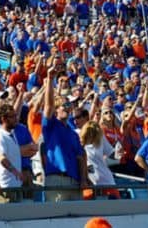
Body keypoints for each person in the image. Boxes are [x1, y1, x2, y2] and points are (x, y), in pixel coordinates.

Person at [42, 62, 88, 201]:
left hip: (74, 182)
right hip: (56, 180)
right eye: (64, 105)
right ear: (57, 109)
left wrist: (84, 179)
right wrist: (50, 79)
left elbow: (81, 157)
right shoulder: (51, 125)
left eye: (69, 105)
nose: (68, 108)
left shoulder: (73, 133)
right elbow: (48, 105)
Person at [0, 103, 25, 203]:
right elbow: (1, 158)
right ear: (3, 119)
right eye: (13, 116)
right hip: (5, 188)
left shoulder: (12, 135)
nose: (16, 118)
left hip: (16, 185)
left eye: (16, 116)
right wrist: (15, 171)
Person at [80, 121, 117, 199]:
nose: (92, 135)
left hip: (107, 182)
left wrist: (119, 152)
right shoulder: (78, 143)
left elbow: (112, 154)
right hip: (89, 184)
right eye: (90, 132)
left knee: (114, 208)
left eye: (95, 133)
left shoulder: (100, 139)